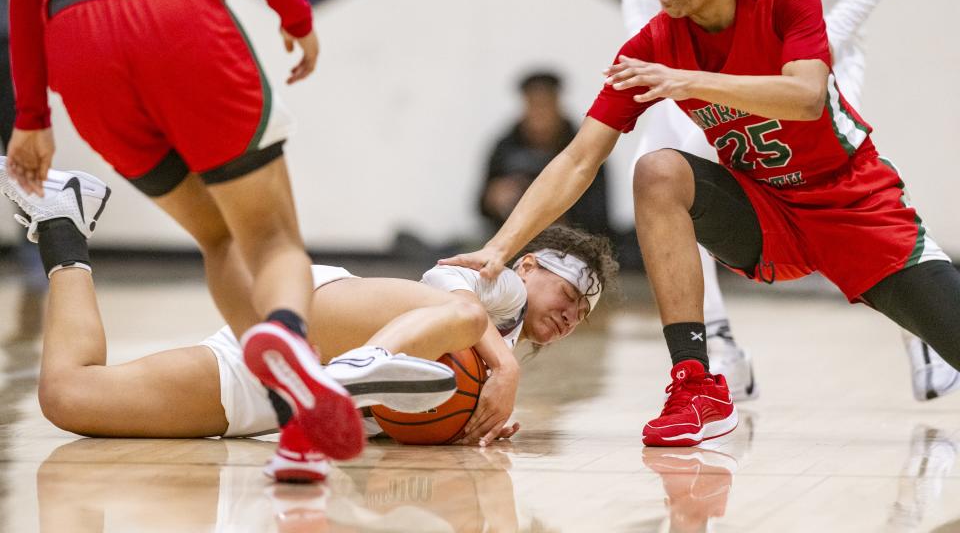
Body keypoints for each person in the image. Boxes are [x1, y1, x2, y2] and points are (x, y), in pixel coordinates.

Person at [442, 0, 960, 447]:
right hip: (766, 213)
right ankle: (697, 386)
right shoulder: (656, 42)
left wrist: (687, 81)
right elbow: (578, 157)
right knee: (657, 170)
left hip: (852, 208)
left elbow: (806, 96)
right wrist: (500, 248)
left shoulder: (791, 0)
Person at [5, 0, 378, 466]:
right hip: (172, 9)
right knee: (271, 240)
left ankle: (297, 428)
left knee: (218, 237)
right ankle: (286, 338)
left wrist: (31, 116)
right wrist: (296, 16)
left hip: (77, 41)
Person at [0, 157, 616, 482]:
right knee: (458, 312)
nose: (572, 313)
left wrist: (463, 424)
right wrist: (501, 364)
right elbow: (448, 288)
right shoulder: (501, 285)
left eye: (584, 314)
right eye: (571, 290)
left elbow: (404, 423)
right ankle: (357, 368)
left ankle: (61, 222)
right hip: (324, 319)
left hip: (273, 387)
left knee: (69, 397)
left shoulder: (500, 342)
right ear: (530, 263)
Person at [622, 0, 958, 404]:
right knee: (657, 162)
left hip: (812, 47)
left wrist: (824, 41)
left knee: (832, 185)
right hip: (709, 55)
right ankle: (715, 345)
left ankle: (918, 315)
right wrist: (661, 69)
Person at [479, 71, 612, 237]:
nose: (540, 115)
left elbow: (600, 212)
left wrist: (556, 206)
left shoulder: (584, 146)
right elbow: (481, 203)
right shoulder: (505, 147)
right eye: (534, 105)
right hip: (511, 238)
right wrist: (494, 198)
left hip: (571, 241)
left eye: (545, 105)